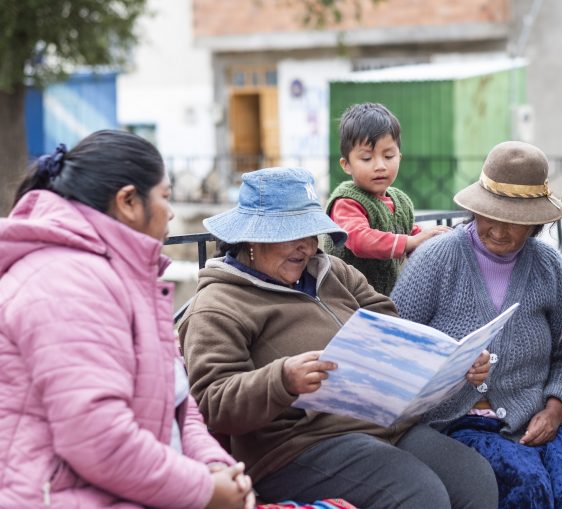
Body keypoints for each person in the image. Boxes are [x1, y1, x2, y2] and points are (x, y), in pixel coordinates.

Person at [178, 167, 498, 509]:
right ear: (254, 240)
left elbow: (388, 320)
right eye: (293, 235)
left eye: (312, 234)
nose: (307, 247)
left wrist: (450, 358)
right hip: (298, 446)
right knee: (419, 494)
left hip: (382, 423)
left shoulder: (331, 271)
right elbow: (213, 403)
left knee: (475, 479)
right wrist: (283, 379)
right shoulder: (218, 305)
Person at [0, 130, 254, 509]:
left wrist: (216, 467)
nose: (170, 212)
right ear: (129, 201)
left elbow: (177, 404)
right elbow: (97, 438)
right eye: (165, 197)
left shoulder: (125, 275)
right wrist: (204, 490)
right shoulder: (68, 281)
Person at [391, 141, 562, 509]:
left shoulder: (548, 265)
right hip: (457, 422)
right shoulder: (437, 259)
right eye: (491, 216)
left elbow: (561, 354)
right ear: (475, 210)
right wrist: (454, 364)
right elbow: (395, 345)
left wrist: (555, 409)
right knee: (526, 483)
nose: (501, 231)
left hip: (534, 416)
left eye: (516, 222)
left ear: (535, 224)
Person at [324, 102, 449, 294]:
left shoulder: (400, 200)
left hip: (385, 296)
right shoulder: (346, 202)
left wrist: (431, 240)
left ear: (400, 156)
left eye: (389, 156)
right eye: (367, 158)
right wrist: (409, 242)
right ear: (346, 164)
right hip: (348, 299)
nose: (380, 166)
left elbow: (408, 231)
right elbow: (358, 239)